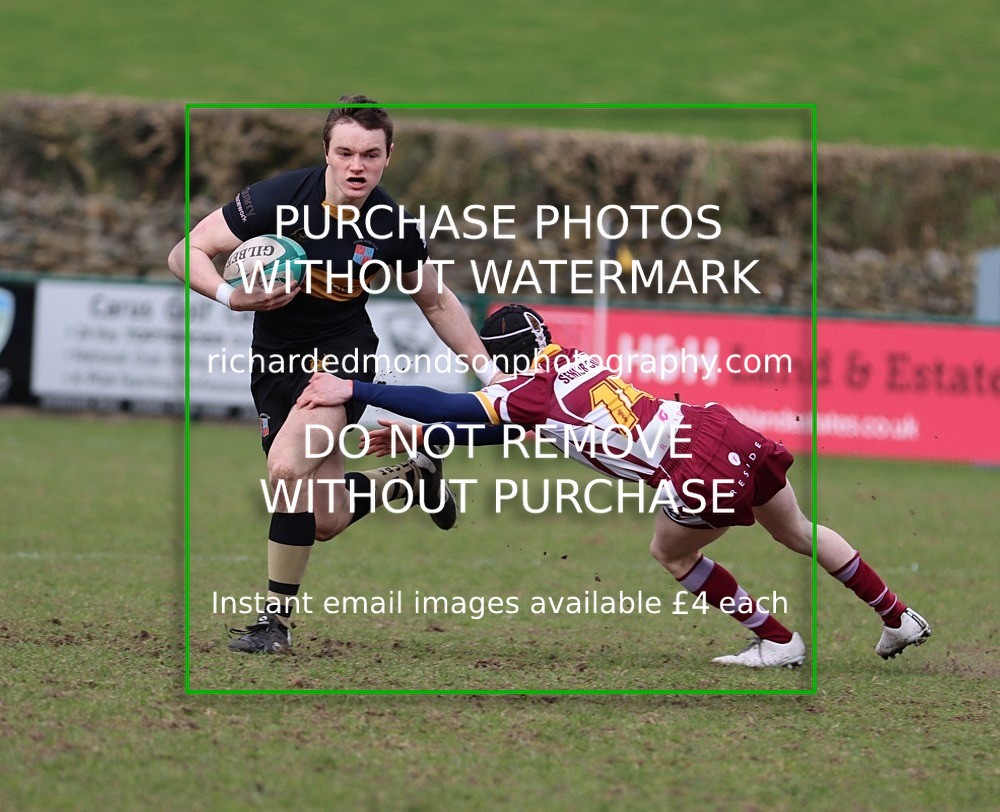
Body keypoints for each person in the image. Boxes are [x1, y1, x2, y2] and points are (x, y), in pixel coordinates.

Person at [296, 304, 932, 668]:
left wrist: (357, 389)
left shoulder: (524, 390)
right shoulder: (567, 363)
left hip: (689, 466)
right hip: (714, 426)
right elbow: (515, 431)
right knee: (797, 530)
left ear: (501, 357)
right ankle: (897, 617)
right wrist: (418, 440)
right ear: (542, 337)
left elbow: (451, 405)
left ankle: (777, 640)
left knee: (673, 552)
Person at [167, 96, 497, 653]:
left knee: (286, 466)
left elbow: (437, 304)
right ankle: (409, 480)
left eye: (370, 154)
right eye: (344, 152)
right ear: (326, 153)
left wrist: (490, 374)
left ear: (388, 157)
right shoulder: (278, 198)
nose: (356, 166)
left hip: (342, 361)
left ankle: (274, 624)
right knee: (324, 519)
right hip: (275, 364)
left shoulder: (390, 223)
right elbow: (186, 251)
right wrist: (231, 294)